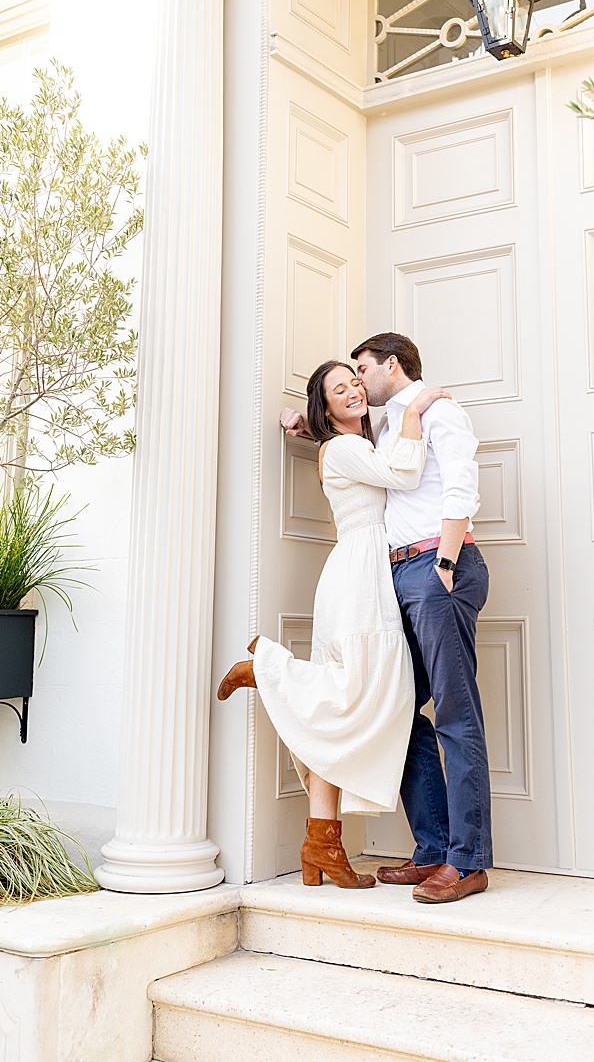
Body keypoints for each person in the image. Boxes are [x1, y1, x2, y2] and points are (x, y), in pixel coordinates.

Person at [217, 360, 451, 891]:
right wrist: (414, 408)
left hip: (361, 572)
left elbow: (366, 454)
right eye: (338, 390)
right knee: (358, 694)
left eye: (355, 383)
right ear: (325, 407)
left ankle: (322, 841)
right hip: (361, 577)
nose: (352, 391)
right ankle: (270, 669)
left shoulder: (354, 443)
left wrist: (302, 427)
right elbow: (402, 473)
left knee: (347, 701)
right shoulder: (347, 448)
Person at [280, 333, 492, 905]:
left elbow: (460, 486)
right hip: (394, 576)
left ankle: (467, 863)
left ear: (387, 367)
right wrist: (299, 420)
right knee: (397, 712)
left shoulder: (437, 410)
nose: (355, 383)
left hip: (435, 565)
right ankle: (432, 849)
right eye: (343, 382)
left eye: (359, 372)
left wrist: (446, 560)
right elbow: (352, 453)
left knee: (453, 713)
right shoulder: (385, 424)